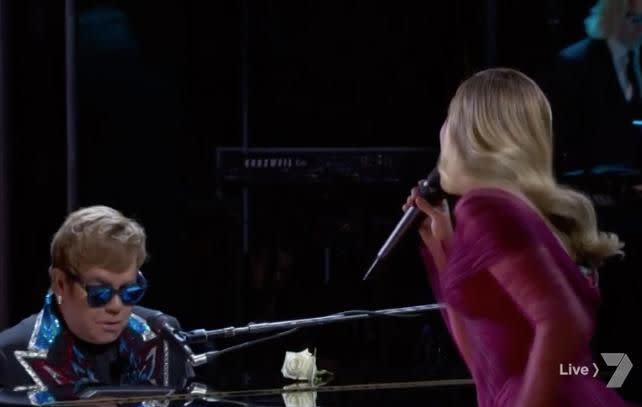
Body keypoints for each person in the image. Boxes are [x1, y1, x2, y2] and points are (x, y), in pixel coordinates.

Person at [404, 68, 637, 406]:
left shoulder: (486, 208)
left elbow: (563, 322)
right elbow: (490, 361)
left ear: (471, 134)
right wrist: (444, 245)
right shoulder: (520, 214)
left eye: (450, 117)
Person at [0, 206, 194, 400]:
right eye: (100, 292)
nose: (116, 306)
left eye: (130, 291)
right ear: (60, 283)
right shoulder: (7, 355)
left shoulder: (164, 339)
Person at [541, 0, 642, 175]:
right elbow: (562, 136)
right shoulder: (575, 62)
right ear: (615, 16)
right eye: (636, 20)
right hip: (589, 182)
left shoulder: (635, 57)